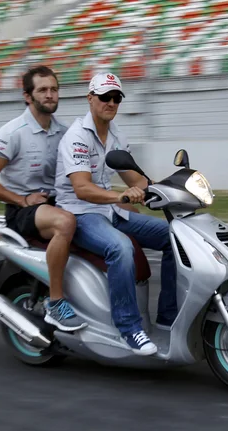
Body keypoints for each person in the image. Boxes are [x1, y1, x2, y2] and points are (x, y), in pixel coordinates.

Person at [54, 72, 178, 356]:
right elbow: (82, 188)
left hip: (109, 210)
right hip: (80, 213)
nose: (111, 102)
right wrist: (120, 196)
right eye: (104, 97)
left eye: (116, 98)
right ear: (90, 98)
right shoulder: (77, 137)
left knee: (175, 236)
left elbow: (137, 179)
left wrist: (169, 190)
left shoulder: (117, 134)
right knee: (120, 248)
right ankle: (129, 329)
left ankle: (168, 318)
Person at [0, 65, 87, 332]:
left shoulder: (65, 132)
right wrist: (21, 200)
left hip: (57, 202)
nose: (50, 95)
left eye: (54, 89)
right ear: (28, 96)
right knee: (65, 223)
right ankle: (57, 303)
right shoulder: (12, 133)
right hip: (23, 210)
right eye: (43, 90)